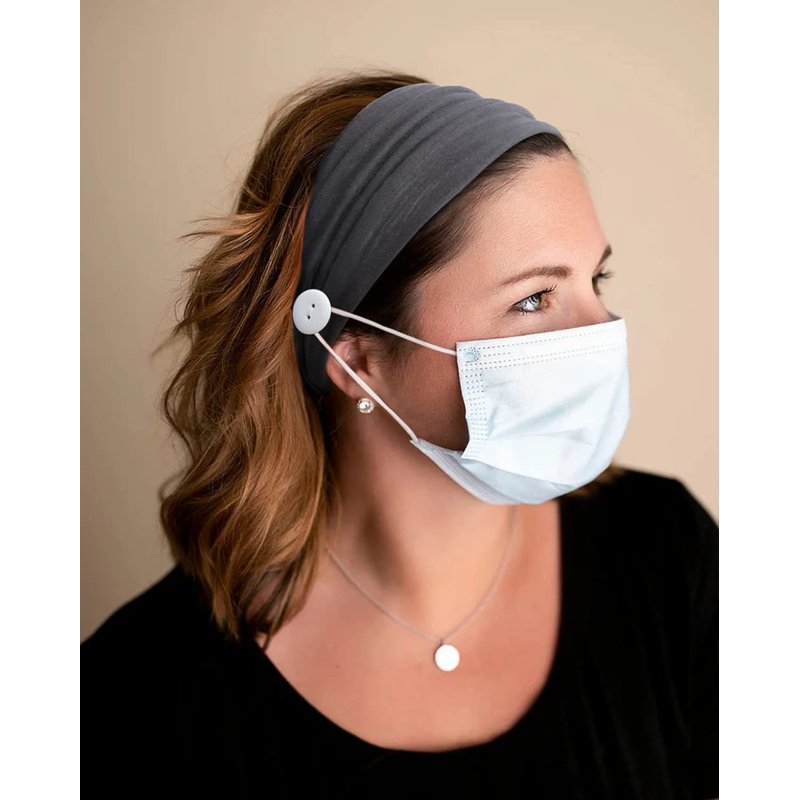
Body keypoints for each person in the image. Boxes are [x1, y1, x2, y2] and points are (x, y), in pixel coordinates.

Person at [81, 71, 718, 799]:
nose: (598, 333)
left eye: (594, 282)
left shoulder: (667, 554)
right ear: (358, 361)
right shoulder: (136, 701)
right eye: (535, 298)